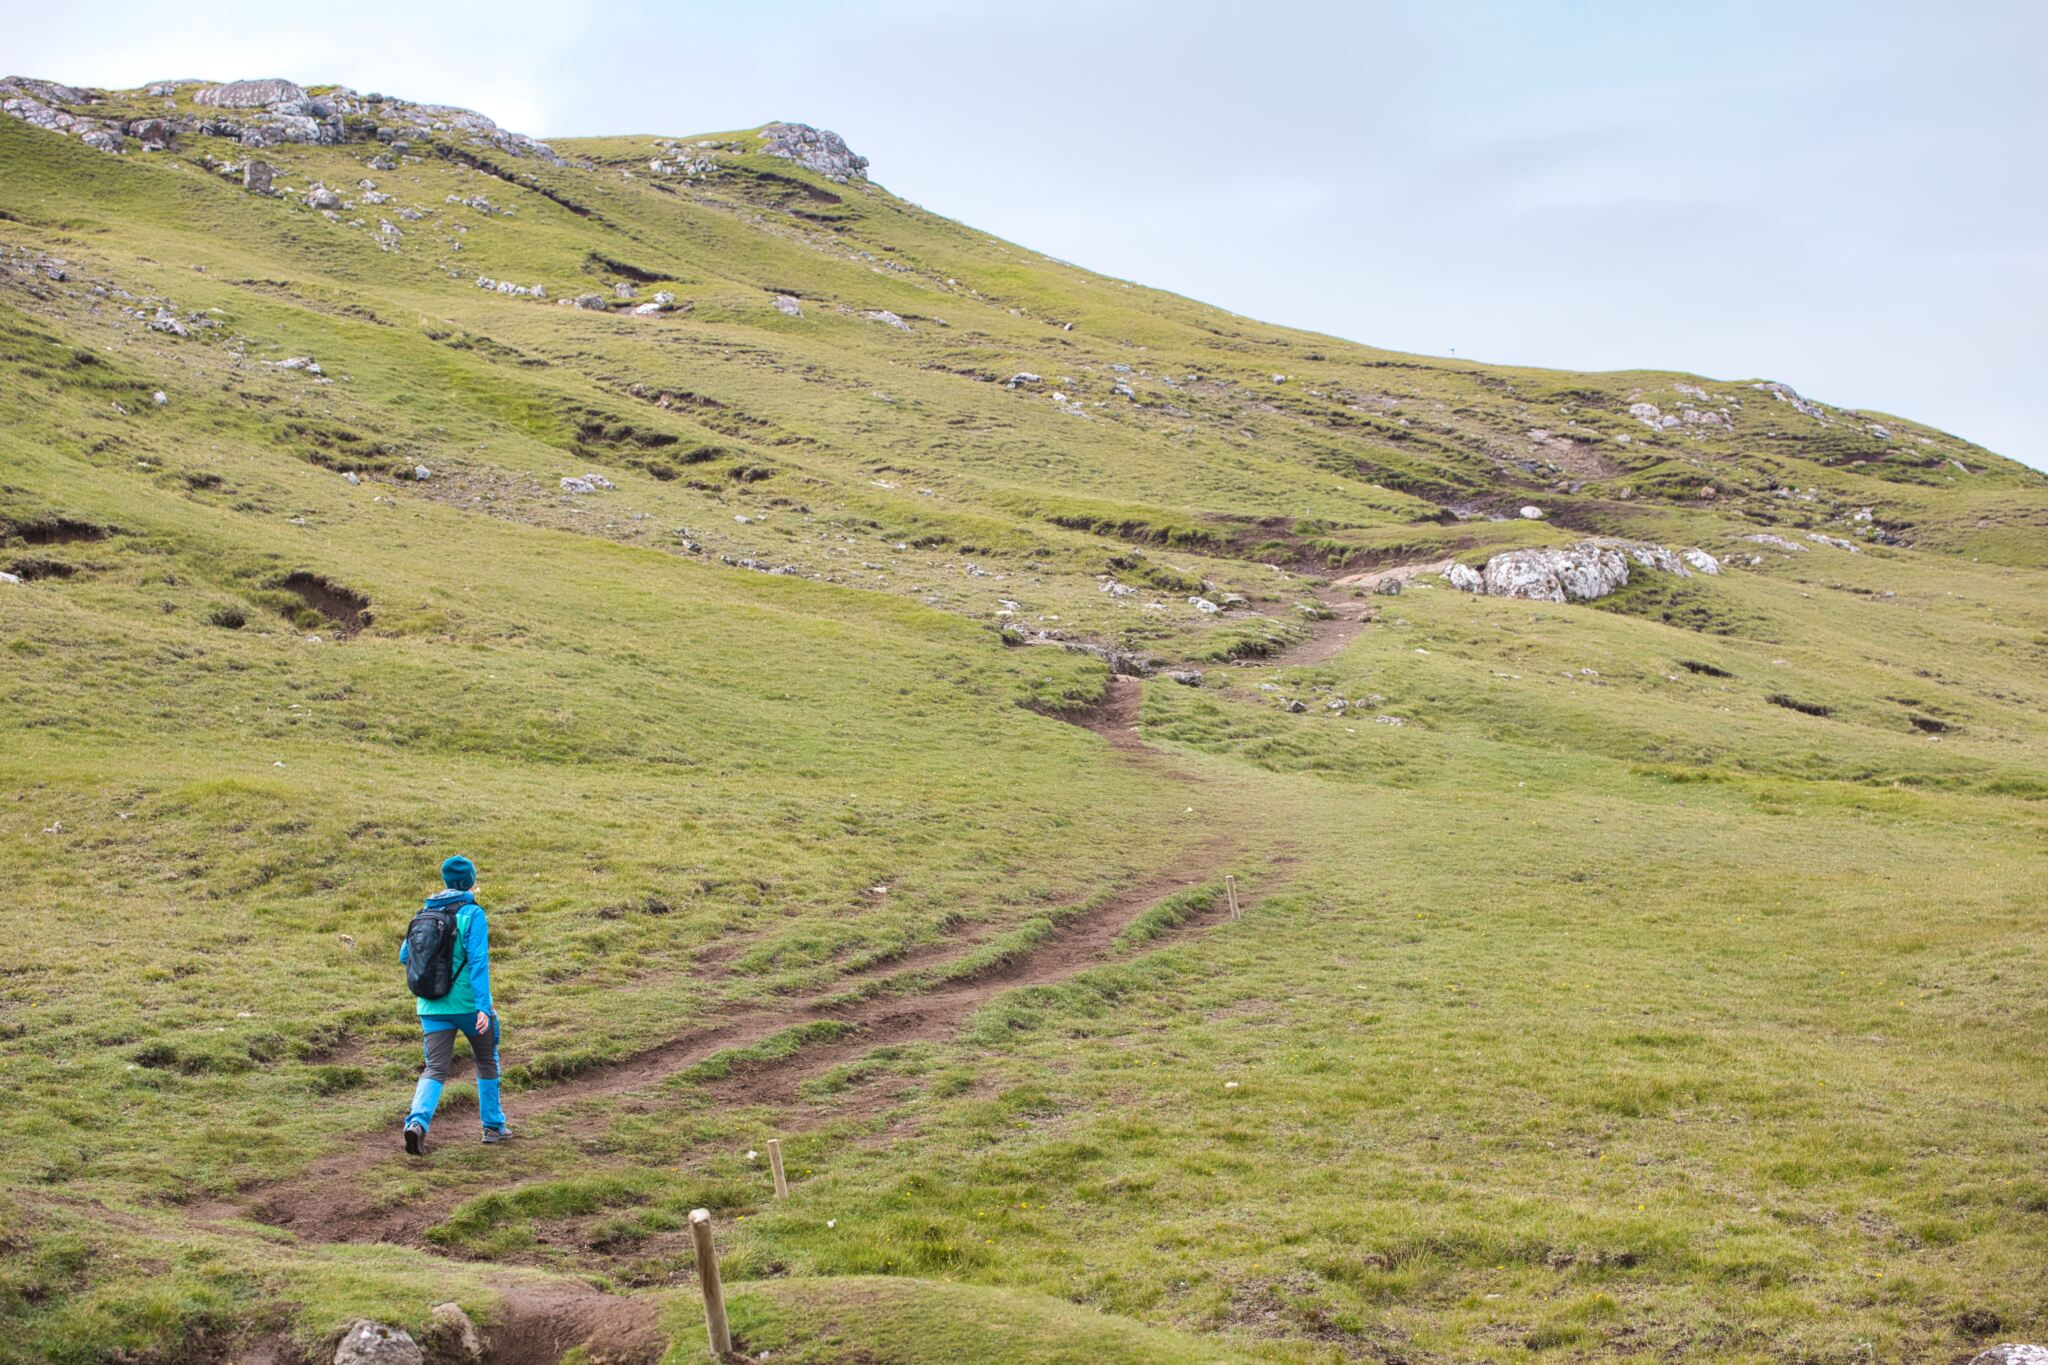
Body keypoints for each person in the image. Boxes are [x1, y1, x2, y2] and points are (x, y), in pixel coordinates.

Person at [398, 855, 509, 1153]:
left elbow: (404, 956)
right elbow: (478, 962)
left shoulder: (425, 912)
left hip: (431, 1006)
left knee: (434, 1067)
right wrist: (483, 1007)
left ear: (446, 881)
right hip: (469, 1006)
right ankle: (493, 1126)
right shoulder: (473, 913)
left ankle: (416, 1123)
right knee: (485, 1060)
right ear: (471, 881)